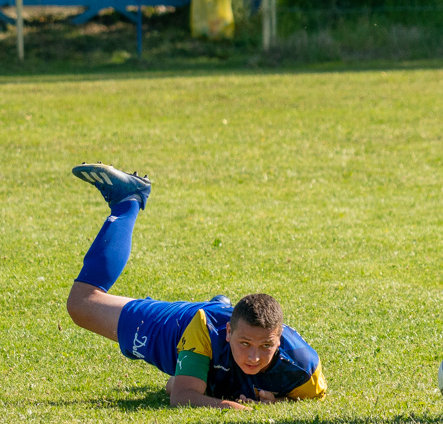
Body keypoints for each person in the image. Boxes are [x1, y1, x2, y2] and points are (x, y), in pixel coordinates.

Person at [66, 162, 327, 410]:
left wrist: (277, 403)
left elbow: (311, 398)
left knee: (186, 383)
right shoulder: (205, 328)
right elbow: (182, 396)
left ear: (278, 340)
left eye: (266, 346)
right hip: (182, 331)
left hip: (219, 355)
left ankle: (220, 307)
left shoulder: (304, 370)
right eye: (245, 344)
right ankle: (128, 200)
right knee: (82, 304)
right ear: (228, 333)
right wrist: (235, 407)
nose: (254, 357)